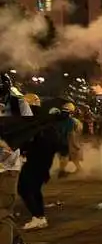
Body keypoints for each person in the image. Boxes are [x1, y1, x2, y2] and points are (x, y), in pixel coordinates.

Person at [0, 74, 32, 244]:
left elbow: (27, 131)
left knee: (1, 214)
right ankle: (16, 241)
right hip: (9, 166)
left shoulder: (16, 106)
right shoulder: (18, 104)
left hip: (6, 169)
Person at [18, 94, 59, 231]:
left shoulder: (33, 121)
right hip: (42, 161)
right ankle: (40, 217)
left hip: (36, 160)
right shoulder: (44, 120)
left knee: (23, 188)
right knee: (34, 189)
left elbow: (30, 141)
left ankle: (37, 216)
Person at [57, 102, 83, 177]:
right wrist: (75, 145)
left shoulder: (57, 120)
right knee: (67, 156)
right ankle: (62, 171)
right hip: (65, 142)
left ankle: (77, 169)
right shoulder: (71, 121)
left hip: (59, 142)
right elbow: (71, 134)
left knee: (65, 156)